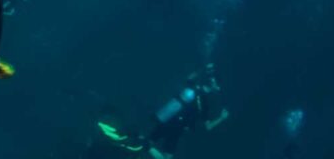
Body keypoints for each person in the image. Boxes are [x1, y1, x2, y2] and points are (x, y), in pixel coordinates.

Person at [87, 65, 229, 159]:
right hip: (175, 130)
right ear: (215, 86)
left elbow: (190, 76)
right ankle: (139, 144)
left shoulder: (192, 87)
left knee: (141, 144)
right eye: (217, 86)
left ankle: (134, 144)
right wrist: (222, 117)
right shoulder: (204, 103)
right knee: (160, 155)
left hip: (164, 121)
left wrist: (205, 69)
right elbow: (208, 126)